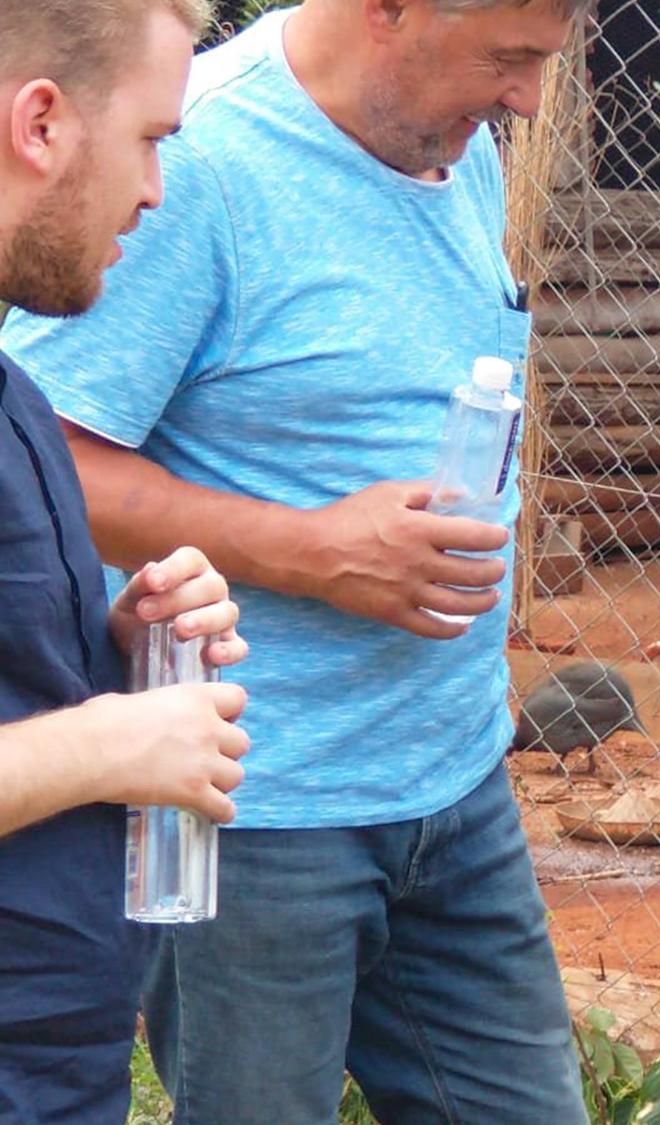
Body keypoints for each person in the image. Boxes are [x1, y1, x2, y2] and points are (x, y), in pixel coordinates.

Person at [0, 1, 595, 1120]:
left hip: (453, 785)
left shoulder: (446, 140)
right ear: (391, 11)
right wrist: (312, 550)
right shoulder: (188, 157)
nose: (525, 97)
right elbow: (52, 450)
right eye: (509, 58)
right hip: (256, 814)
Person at [0, 1, 252, 1119]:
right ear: (41, 123)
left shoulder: (16, 392)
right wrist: (109, 741)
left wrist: (119, 652)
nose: (156, 191)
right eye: (151, 138)